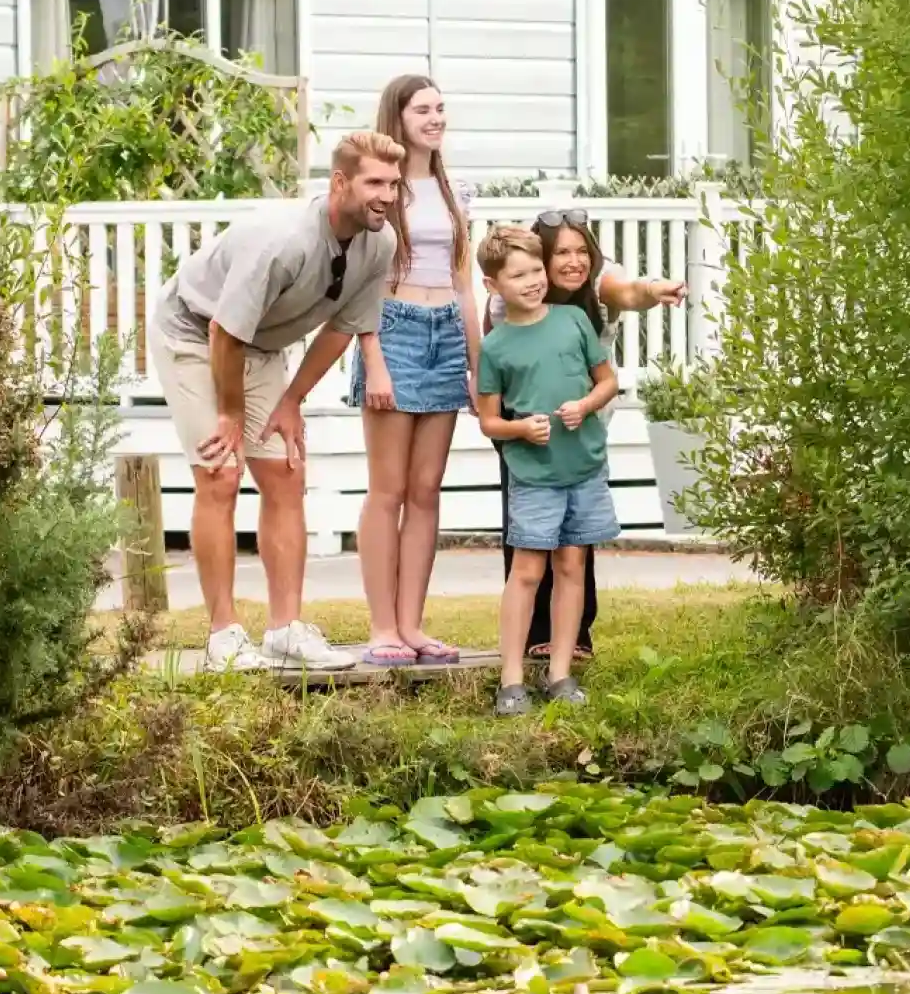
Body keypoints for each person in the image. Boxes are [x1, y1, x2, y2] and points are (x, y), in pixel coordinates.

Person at [152, 130, 403, 673]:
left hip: (259, 345)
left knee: (286, 471)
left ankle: (285, 630)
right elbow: (224, 331)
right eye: (375, 183)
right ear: (340, 182)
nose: (388, 196)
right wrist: (232, 414)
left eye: (394, 184)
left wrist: (291, 400)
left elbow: (343, 328)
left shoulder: (378, 243)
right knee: (220, 470)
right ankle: (224, 636)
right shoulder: (282, 240)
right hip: (195, 334)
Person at [481, 206, 685, 661]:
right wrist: (511, 429)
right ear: (541, 258)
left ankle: (575, 636)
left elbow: (632, 292)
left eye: (581, 251)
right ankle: (534, 632)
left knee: (575, 537)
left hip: (584, 422)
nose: (574, 262)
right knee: (529, 531)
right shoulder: (509, 296)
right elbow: (495, 368)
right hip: (524, 425)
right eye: (562, 254)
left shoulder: (596, 286)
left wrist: (657, 289)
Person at [345, 76, 481, 667]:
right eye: (423, 109)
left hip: (445, 331)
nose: (435, 118)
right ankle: (382, 629)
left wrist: (479, 366)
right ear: (397, 117)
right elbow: (362, 283)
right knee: (389, 488)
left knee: (426, 491)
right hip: (394, 330)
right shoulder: (383, 189)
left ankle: (413, 625)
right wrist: (373, 359)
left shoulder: (456, 192)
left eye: (441, 108)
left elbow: (464, 282)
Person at [474, 223, 620, 713]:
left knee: (573, 563)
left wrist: (585, 405)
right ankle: (511, 680)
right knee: (528, 571)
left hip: (583, 465)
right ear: (494, 286)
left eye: (537, 269)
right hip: (535, 475)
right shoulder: (495, 346)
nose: (534, 280)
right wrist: (521, 430)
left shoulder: (573, 321)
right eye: (518, 275)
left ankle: (561, 673)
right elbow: (489, 421)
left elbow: (607, 382)